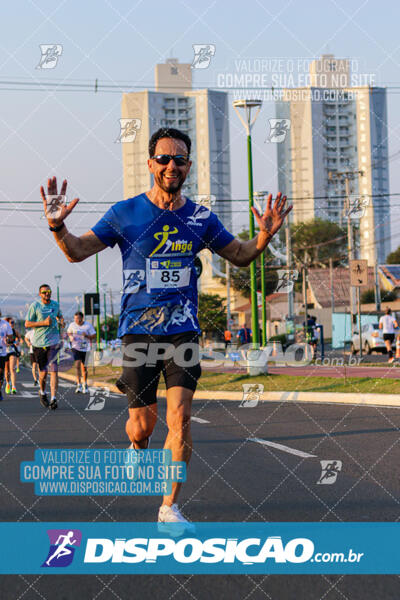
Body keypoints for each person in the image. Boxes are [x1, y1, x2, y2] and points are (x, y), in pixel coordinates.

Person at [41, 127, 291, 527]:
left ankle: (168, 507)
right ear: (150, 164)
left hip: (182, 332)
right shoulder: (126, 213)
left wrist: (262, 238)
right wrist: (57, 227)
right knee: (143, 426)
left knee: (181, 417)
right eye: (164, 158)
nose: (171, 165)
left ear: (188, 166)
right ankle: (136, 447)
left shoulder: (200, 219)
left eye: (179, 160)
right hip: (138, 332)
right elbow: (76, 251)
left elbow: (240, 255)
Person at [25, 284, 64, 409]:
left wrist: (62, 321)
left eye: (49, 291)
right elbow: (27, 323)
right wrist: (43, 323)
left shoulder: (55, 304)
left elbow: (60, 316)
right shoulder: (35, 306)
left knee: (54, 370)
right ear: (40, 294)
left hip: (53, 342)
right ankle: (42, 392)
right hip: (39, 343)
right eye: (44, 292)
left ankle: (53, 399)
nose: (47, 293)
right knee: (43, 373)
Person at [67, 311, 96, 393]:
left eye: (78, 318)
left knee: (84, 367)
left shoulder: (88, 325)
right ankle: (78, 384)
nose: (77, 320)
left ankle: (85, 384)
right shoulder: (72, 325)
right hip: (75, 347)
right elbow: (69, 332)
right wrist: (71, 336)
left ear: (82, 318)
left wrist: (86, 335)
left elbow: (94, 335)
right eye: (75, 318)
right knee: (77, 364)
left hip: (85, 348)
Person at [4, 317, 21, 394]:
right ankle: (8, 383)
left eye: (13, 322)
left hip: (12, 350)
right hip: (4, 351)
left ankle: (14, 387)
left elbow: (19, 338)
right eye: (11, 322)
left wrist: (18, 342)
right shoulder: (3, 330)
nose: (12, 324)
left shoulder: (15, 331)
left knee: (12, 369)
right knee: (6, 370)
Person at [0, 313, 13, 401]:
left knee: (1, 372)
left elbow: (10, 337)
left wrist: (8, 341)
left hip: (2, 352)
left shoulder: (5, 324)